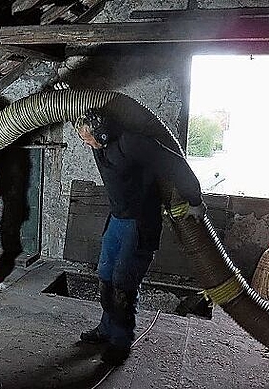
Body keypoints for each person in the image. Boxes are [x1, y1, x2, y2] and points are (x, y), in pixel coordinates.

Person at [73, 106, 205, 365]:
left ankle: (120, 344)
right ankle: (107, 328)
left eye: (88, 137)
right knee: (106, 278)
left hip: (138, 222)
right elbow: (75, 108)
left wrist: (195, 198)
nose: (85, 142)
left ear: (102, 132)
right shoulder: (98, 142)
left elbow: (174, 164)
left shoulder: (131, 143)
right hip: (117, 218)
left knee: (123, 284)